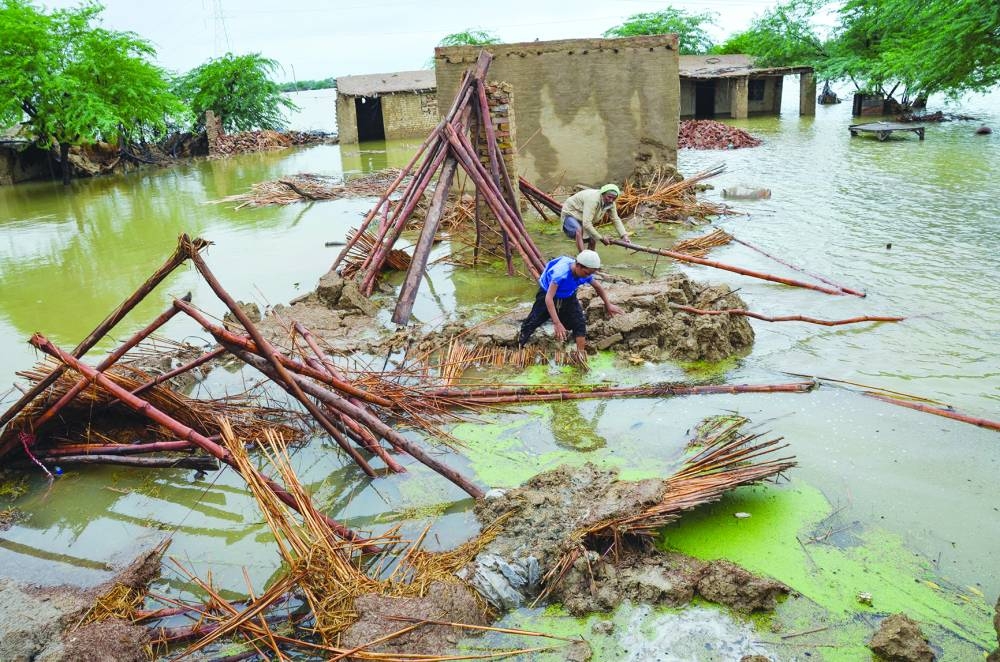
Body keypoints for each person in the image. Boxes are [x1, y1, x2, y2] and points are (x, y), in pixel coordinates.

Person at [518, 250, 622, 363]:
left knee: (579, 322)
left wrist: (608, 304)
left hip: (568, 295)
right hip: (547, 293)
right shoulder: (560, 274)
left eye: (591, 273)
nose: (588, 276)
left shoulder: (585, 272)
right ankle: (519, 346)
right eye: (587, 273)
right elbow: (549, 298)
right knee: (533, 322)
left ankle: (580, 355)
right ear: (578, 265)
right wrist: (556, 323)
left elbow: (598, 287)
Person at [560, 183, 631, 253]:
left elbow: (615, 219)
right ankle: (582, 257)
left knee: (593, 238)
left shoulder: (611, 203)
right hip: (571, 213)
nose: (610, 200)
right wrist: (601, 238)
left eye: (613, 198)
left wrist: (624, 236)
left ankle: (591, 260)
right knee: (579, 231)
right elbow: (586, 223)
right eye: (609, 197)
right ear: (603, 194)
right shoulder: (593, 200)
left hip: (583, 216)